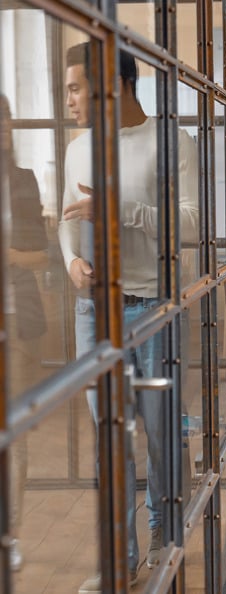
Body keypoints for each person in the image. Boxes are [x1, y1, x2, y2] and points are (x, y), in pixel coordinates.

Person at [58, 43, 198, 592]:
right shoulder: (77, 149)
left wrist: (122, 210)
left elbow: (190, 225)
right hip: (96, 312)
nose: (69, 99)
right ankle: (121, 554)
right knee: (109, 439)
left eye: (75, 88)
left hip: (154, 309)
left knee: (162, 436)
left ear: (112, 86)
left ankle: (166, 540)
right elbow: (70, 218)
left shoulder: (171, 142)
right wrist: (71, 258)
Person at [1, 94, 49, 572]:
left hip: (15, 323)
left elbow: (43, 256)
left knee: (11, 433)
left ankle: (8, 534)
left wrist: (9, 257)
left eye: (5, 119)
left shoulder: (22, 181)